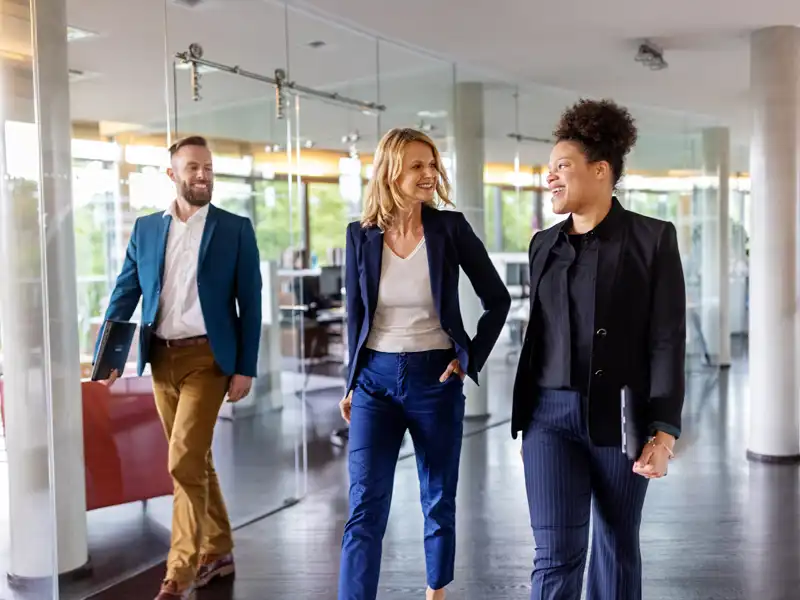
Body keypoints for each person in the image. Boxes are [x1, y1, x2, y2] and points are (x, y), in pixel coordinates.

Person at [512, 99, 685, 600]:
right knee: (554, 554)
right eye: (549, 168)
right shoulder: (543, 245)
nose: (550, 177)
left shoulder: (652, 239)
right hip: (548, 417)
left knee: (615, 543)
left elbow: (667, 339)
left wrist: (664, 432)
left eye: (562, 166)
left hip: (620, 416)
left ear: (601, 170)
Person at [337, 128, 511, 600]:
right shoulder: (360, 235)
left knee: (437, 498)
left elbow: (497, 299)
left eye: (432, 164)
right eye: (417, 165)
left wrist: (468, 358)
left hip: (435, 378)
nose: (429, 173)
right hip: (373, 381)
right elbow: (356, 315)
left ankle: (436, 592)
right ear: (391, 172)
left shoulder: (449, 229)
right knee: (365, 505)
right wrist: (350, 383)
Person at [95, 135, 262, 600]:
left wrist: (245, 367)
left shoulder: (235, 229)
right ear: (173, 174)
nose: (203, 175)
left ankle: (180, 571)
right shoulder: (148, 229)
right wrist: (108, 355)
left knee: (182, 459)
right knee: (196, 460)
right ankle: (219, 547)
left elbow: (251, 303)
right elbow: (125, 292)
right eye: (193, 168)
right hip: (161, 359)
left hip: (210, 360)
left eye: (208, 167)